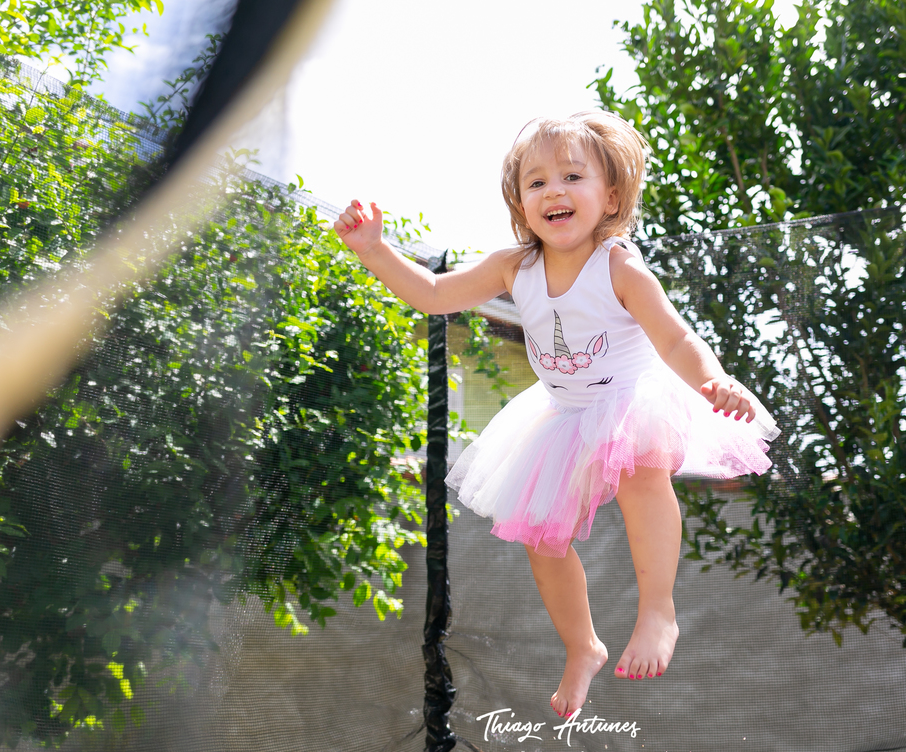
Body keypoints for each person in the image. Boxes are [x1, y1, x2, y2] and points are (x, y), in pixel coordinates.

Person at [334, 111, 779, 719]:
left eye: (573, 175)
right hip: (563, 413)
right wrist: (375, 250)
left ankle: (658, 609)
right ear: (520, 203)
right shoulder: (513, 267)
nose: (554, 191)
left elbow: (676, 340)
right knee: (541, 535)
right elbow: (433, 297)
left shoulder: (619, 266)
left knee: (641, 472)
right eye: (536, 182)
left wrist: (712, 380)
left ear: (612, 195)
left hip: (630, 401)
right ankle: (583, 646)